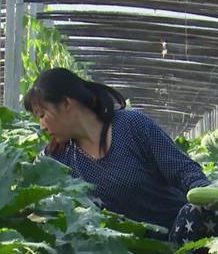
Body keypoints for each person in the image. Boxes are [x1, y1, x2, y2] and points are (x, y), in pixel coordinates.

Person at [24, 67, 217, 245]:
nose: (42, 126)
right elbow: (27, 196)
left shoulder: (132, 125)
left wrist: (204, 193)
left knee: (196, 211)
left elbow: (183, 169)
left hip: (183, 233)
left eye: (42, 115)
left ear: (66, 103)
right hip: (125, 248)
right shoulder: (53, 160)